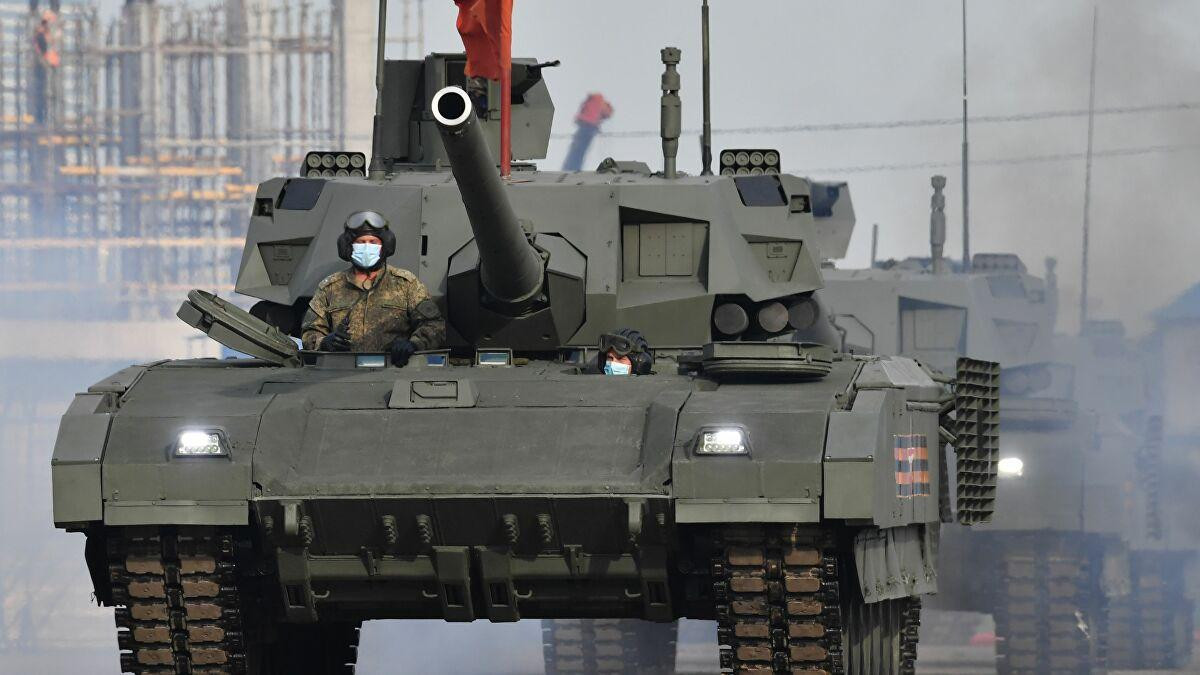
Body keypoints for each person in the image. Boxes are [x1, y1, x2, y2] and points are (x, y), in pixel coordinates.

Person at [301, 211, 445, 365]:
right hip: (342, 371)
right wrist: (323, 342)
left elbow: (435, 325)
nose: (366, 247)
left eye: (373, 242)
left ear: (385, 246)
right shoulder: (329, 287)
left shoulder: (406, 284)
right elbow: (310, 332)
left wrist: (414, 344)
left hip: (394, 370)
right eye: (361, 242)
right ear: (348, 247)